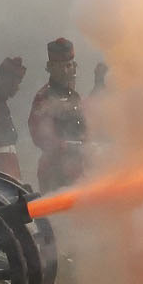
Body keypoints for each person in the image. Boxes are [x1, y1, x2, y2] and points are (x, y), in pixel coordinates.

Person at [30, 37, 90, 190]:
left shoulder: (74, 97)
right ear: (50, 67)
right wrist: (63, 146)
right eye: (60, 66)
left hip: (77, 169)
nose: (65, 71)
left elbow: (84, 128)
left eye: (69, 65)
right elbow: (38, 134)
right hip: (55, 171)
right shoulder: (44, 97)